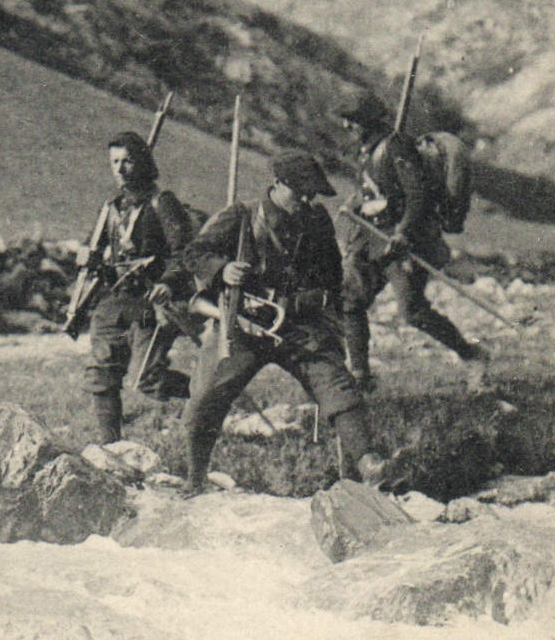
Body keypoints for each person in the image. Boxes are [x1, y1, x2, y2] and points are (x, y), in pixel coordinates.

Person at [178, 151, 385, 495]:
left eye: (312, 192)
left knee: (337, 386)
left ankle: (369, 466)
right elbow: (194, 253)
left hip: (298, 326)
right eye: (299, 190)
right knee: (205, 398)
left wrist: (307, 301)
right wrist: (222, 270)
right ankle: (195, 479)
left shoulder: (317, 220)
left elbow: (332, 278)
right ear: (276, 184)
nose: (307, 198)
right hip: (244, 325)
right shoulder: (242, 216)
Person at [333, 87, 488, 393]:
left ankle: (473, 355)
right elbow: (374, 191)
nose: (347, 126)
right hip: (373, 238)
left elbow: (418, 196)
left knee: (413, 312)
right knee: (350, 300)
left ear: (367, 119)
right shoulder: (366, 150)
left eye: (353, 120)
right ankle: (361, 376)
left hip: (403, 243)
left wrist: (403, 232)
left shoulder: (397, 148)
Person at [82, 130, 196, 444]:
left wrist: (169, 283)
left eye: (127, 161)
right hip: (115, 301)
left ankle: (208, 396)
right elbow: (93, 248)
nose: (119, 169)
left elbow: (185, 253)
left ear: (143, 163)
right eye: (114, 162)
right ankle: (111, 448)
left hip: (150, 305)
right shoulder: (111, 208)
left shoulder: (162, 203)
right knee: (101, 374)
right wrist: (86, 257)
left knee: (149, 380)